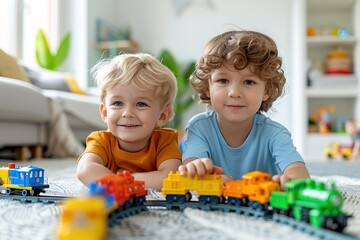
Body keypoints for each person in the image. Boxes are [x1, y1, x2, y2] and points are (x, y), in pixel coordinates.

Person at [178, 30, 310, 189]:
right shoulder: (199, 127)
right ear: (207, 87)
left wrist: (290, 181)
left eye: (248, 82)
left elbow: (298, 171)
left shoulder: (275, 134)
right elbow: (192, 164)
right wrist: (199, 172)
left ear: (266, 91)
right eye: (223, 80)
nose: (234, 92)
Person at [77, 53, 182, 191]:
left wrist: (122, 179)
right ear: (105, 112)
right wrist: (125, 184)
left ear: (162, 116)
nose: (127, 113)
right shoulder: (101, 140)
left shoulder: (165, 141)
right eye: (118, 103)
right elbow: (85, 170)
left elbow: (170, 177)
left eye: (141, 104)